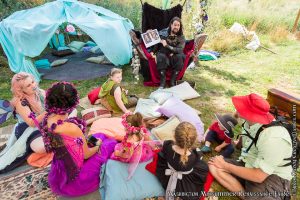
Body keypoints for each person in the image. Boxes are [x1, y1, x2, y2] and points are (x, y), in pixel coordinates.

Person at [30, 82, 117, 197]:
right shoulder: (71, 128)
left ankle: (98, 141)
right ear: (72, 105)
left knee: (98, 135)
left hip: (61, 166)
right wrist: (98, 145)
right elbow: (86, 155)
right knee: (110, 142)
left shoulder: (47, 118)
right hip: (77, 175)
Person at [208, 93, 293, 199]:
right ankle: (248, 195)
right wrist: (237, 144)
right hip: (250, 164)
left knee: (221, 165)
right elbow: (247, 138)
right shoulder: (250, 122)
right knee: (213, 164)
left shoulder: (273, 138)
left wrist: (225, 166)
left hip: (272, 175)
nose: (237, 107)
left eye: (241, 106)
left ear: (250, 114)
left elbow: (259, 176)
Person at [0, 72, 46, 173]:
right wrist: (47, 112)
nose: (33, 86)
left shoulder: (41, 92)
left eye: (33, 82)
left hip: (44, 123)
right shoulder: (21, 102)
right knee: (41, 148)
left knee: (70, 113)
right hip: (28, 129)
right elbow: (31, 123)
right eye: (28, 85)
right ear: (21, 90)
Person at [156, 122, 208, 200]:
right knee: (202, 167)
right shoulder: (195, 156)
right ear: (193, 141)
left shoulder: (168, 146)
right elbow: (199, 165)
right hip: (185, 184)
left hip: (167, 177)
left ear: (174, 136)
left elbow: (162, 157)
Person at [110, 112, 161, 179]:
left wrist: (118, 154)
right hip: (142, 147)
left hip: (134, 153)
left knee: (116, 150)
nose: (124, 128)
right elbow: (149, 141)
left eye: (124, 127)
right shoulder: (142, 130)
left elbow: (128, 155)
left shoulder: (130, 140)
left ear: (128, 127)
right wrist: (154, 148)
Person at [150, 17, 186, 88]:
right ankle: (162, 82)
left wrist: (166, 45)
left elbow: (180, 50)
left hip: (174, 55)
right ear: (171, 25)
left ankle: (172, 81)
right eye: (175, 25)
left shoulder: (181, 37)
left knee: (180, 56)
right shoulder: (163, 33)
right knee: (161, 56)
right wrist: (152, 52)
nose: (176, 27)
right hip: (163, 53)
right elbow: (156, 43)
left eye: (178, 25)